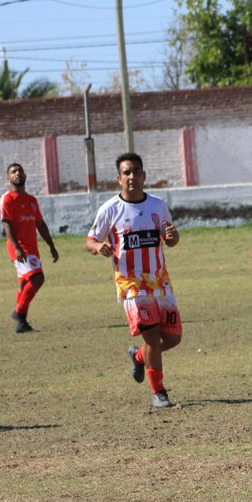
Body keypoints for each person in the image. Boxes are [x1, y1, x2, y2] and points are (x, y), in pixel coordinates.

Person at [86, 152, 182, 409]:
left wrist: (173, 236)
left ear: (144, 175)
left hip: (160, 282)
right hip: (131, 284)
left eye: (136, 172)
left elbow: (170, 239)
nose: (132, 177)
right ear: (119, 179)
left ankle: (139, 357)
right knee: (152, 338)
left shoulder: (158, 205)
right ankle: (159, 392)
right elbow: (90, 240)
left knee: (173, 337)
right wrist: (99, 247)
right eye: (126, 172)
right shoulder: (110, 209)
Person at [0, 163, 58, 333]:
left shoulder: (32, 200)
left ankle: (22, 324)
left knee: (25, 283)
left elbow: (40, 224)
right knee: (38, 278)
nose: (17, 173)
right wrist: (17, 247)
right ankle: (19, 313)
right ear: (8, 178)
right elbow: (6, 224)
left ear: (25, 175)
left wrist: (51, 246)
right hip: (19, 247)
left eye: (20, 171)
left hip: (32, 248)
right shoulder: (7, 199)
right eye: (13, 172)